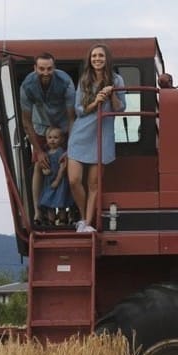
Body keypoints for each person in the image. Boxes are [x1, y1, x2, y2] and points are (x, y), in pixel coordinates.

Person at [67, 43, 125, 233]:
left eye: (100, 56)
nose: (97, 59)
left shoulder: (117, 80)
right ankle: (82, 217)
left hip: (102, 135)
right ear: (90, 60)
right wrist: (96, 101)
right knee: (74, 180)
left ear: (107, 58)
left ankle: (86, 222)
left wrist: (110, 96)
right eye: (94, 56)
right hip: (81, 134)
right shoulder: (84, 80)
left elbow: (120, 108)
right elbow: (79, 110)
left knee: (94, 184)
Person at [19, 52, 76, 216]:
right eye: (42, 68)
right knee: (39, 165)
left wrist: (69, 148)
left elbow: (72, 118)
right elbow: (26, 122)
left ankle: (70, 210)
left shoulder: (65, 82)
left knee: (69, 165)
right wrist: (38, 151)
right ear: (35, 68)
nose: (46, 72)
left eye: (49, 68)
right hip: (40, 127)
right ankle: (37, 210)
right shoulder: (27, 87)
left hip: (64, 127)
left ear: (54, 68)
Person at [35, 126, 73, 226]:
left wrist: (57, 180)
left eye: (56, 138)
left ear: (62, 140)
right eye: (50, 137)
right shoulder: (46, 153)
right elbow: (45, 165)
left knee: (61, 201)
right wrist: (45, 171)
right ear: (46, 139)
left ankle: (62, 219)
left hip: (60, 181)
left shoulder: (61, 152)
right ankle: (50, 220)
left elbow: (62, 168)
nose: (52, 140)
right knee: (49, 202)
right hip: (49, 181)